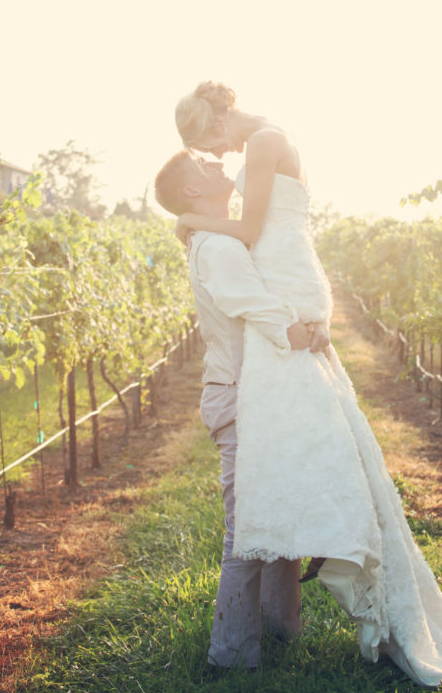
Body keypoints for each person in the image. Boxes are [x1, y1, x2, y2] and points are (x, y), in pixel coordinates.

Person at [173, 82, 442, 688]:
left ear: (221, 115)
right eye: (205, 149)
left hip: (285, 278)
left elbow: (247, 229)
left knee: (298, 426)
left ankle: (328, 535)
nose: (218, 151)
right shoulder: (265, 141)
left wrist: (187, 218)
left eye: (210, 137)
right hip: (285, 276)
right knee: (300, 431)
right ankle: (311, 552)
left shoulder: (264, 141)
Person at [154, 150, 328, 669]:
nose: (217, 163)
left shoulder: (214, 234)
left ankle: (279, 627)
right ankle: (228, 655)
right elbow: (247, 299)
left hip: (254, 387)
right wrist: (294, 330)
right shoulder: (216, 247)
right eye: (203, 165)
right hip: (237, 391)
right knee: (246, 526)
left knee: (272, 509)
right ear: (190, 191)